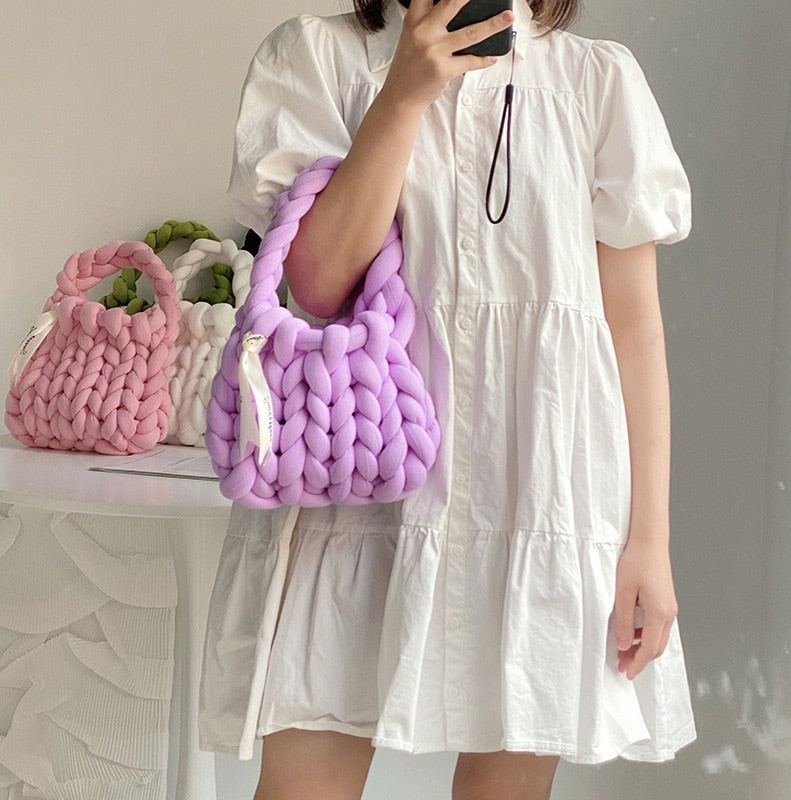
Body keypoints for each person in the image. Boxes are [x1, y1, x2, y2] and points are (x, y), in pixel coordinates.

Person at [198, 1, 697, 798]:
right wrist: (402, 94)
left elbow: (634, 328)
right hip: (356, 486)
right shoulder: (321, 58)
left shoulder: (595, 83)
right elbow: (318, 284)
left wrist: (649, 542)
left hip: (537, 494)